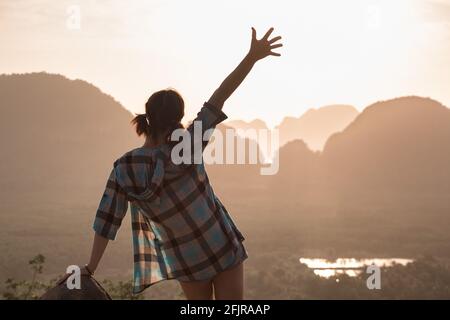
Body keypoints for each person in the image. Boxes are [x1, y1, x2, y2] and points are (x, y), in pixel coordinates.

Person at [74, 27, 282, 300]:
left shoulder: (124, 168)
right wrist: (251, 58)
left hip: (186, 260)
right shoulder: (188, 145)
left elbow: (106, 221)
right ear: (178, 118)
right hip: (220, 243)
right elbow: (219, 96)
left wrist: (89, 268)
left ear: (147, 118)